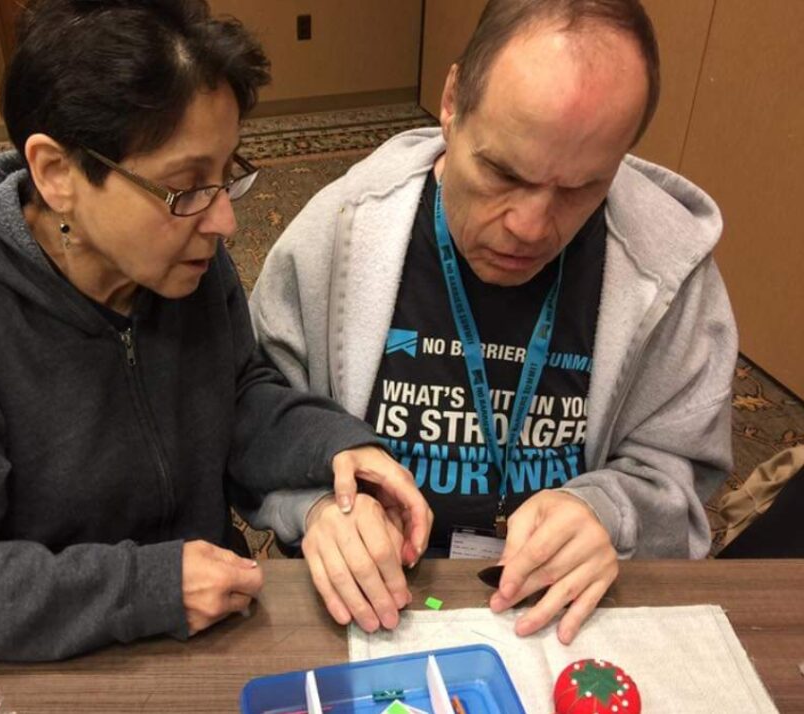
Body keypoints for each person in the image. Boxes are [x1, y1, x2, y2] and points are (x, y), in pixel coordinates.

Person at [0, 0, 430, 662]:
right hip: (44, 664)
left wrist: (332, 446)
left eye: (227, 176)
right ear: (57, 174)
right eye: (187, 186)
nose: (224, 221)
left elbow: (237, 391)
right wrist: (141, 588)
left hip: (202, 629)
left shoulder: (183, 260)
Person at [249, 0, 737, 644]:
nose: (529, 229)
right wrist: (315, 509)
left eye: (580, 189)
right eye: (503, 173)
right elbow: (253, 419)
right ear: (451, 102)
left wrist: (611, 514)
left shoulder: (668, 270)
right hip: (360, 608)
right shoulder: (336, 233)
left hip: (559, 615)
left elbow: (680, 470)